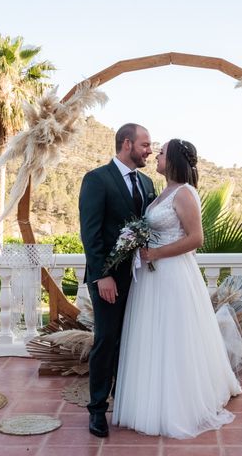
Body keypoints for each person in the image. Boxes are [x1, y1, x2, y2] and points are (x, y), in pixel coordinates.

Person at [112, 138, 242, 439]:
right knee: (152, 335)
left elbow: (196, 239)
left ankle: (177, 403)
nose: (156, 155)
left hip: (172, 275)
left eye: (161, 152)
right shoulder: (160, 193)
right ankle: (149, 398)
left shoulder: (184, 193)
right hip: (150, 276)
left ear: (172, 161)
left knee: (173, 336)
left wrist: (156, 253)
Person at [79, 123, 156, 438]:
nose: (149, 150)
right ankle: (97, 410)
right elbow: (91, 233)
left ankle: (126, 401)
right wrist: (103, 276)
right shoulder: (97, 179)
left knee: (134, 340)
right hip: (110, 279)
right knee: (106, 340)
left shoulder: (148, 182)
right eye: (145, 144)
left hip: (143, 279)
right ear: (127, 144)